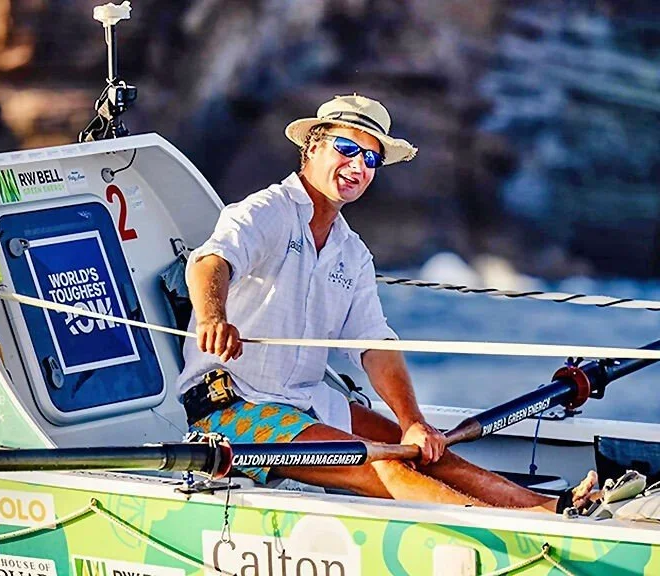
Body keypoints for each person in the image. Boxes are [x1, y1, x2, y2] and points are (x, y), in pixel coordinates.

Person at [176, 94, 596, 513]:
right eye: (347, 148)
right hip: (231, 408)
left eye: (371, 159)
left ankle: (553, 508)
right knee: (383, 465)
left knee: (429, 453)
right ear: (313, 147)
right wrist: (213, 318)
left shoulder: (353, 252)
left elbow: (375, 344)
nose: (358, 165)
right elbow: (211, 261)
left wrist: (413, 423)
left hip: (308, 403)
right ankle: (519, 530)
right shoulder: (268, 209)